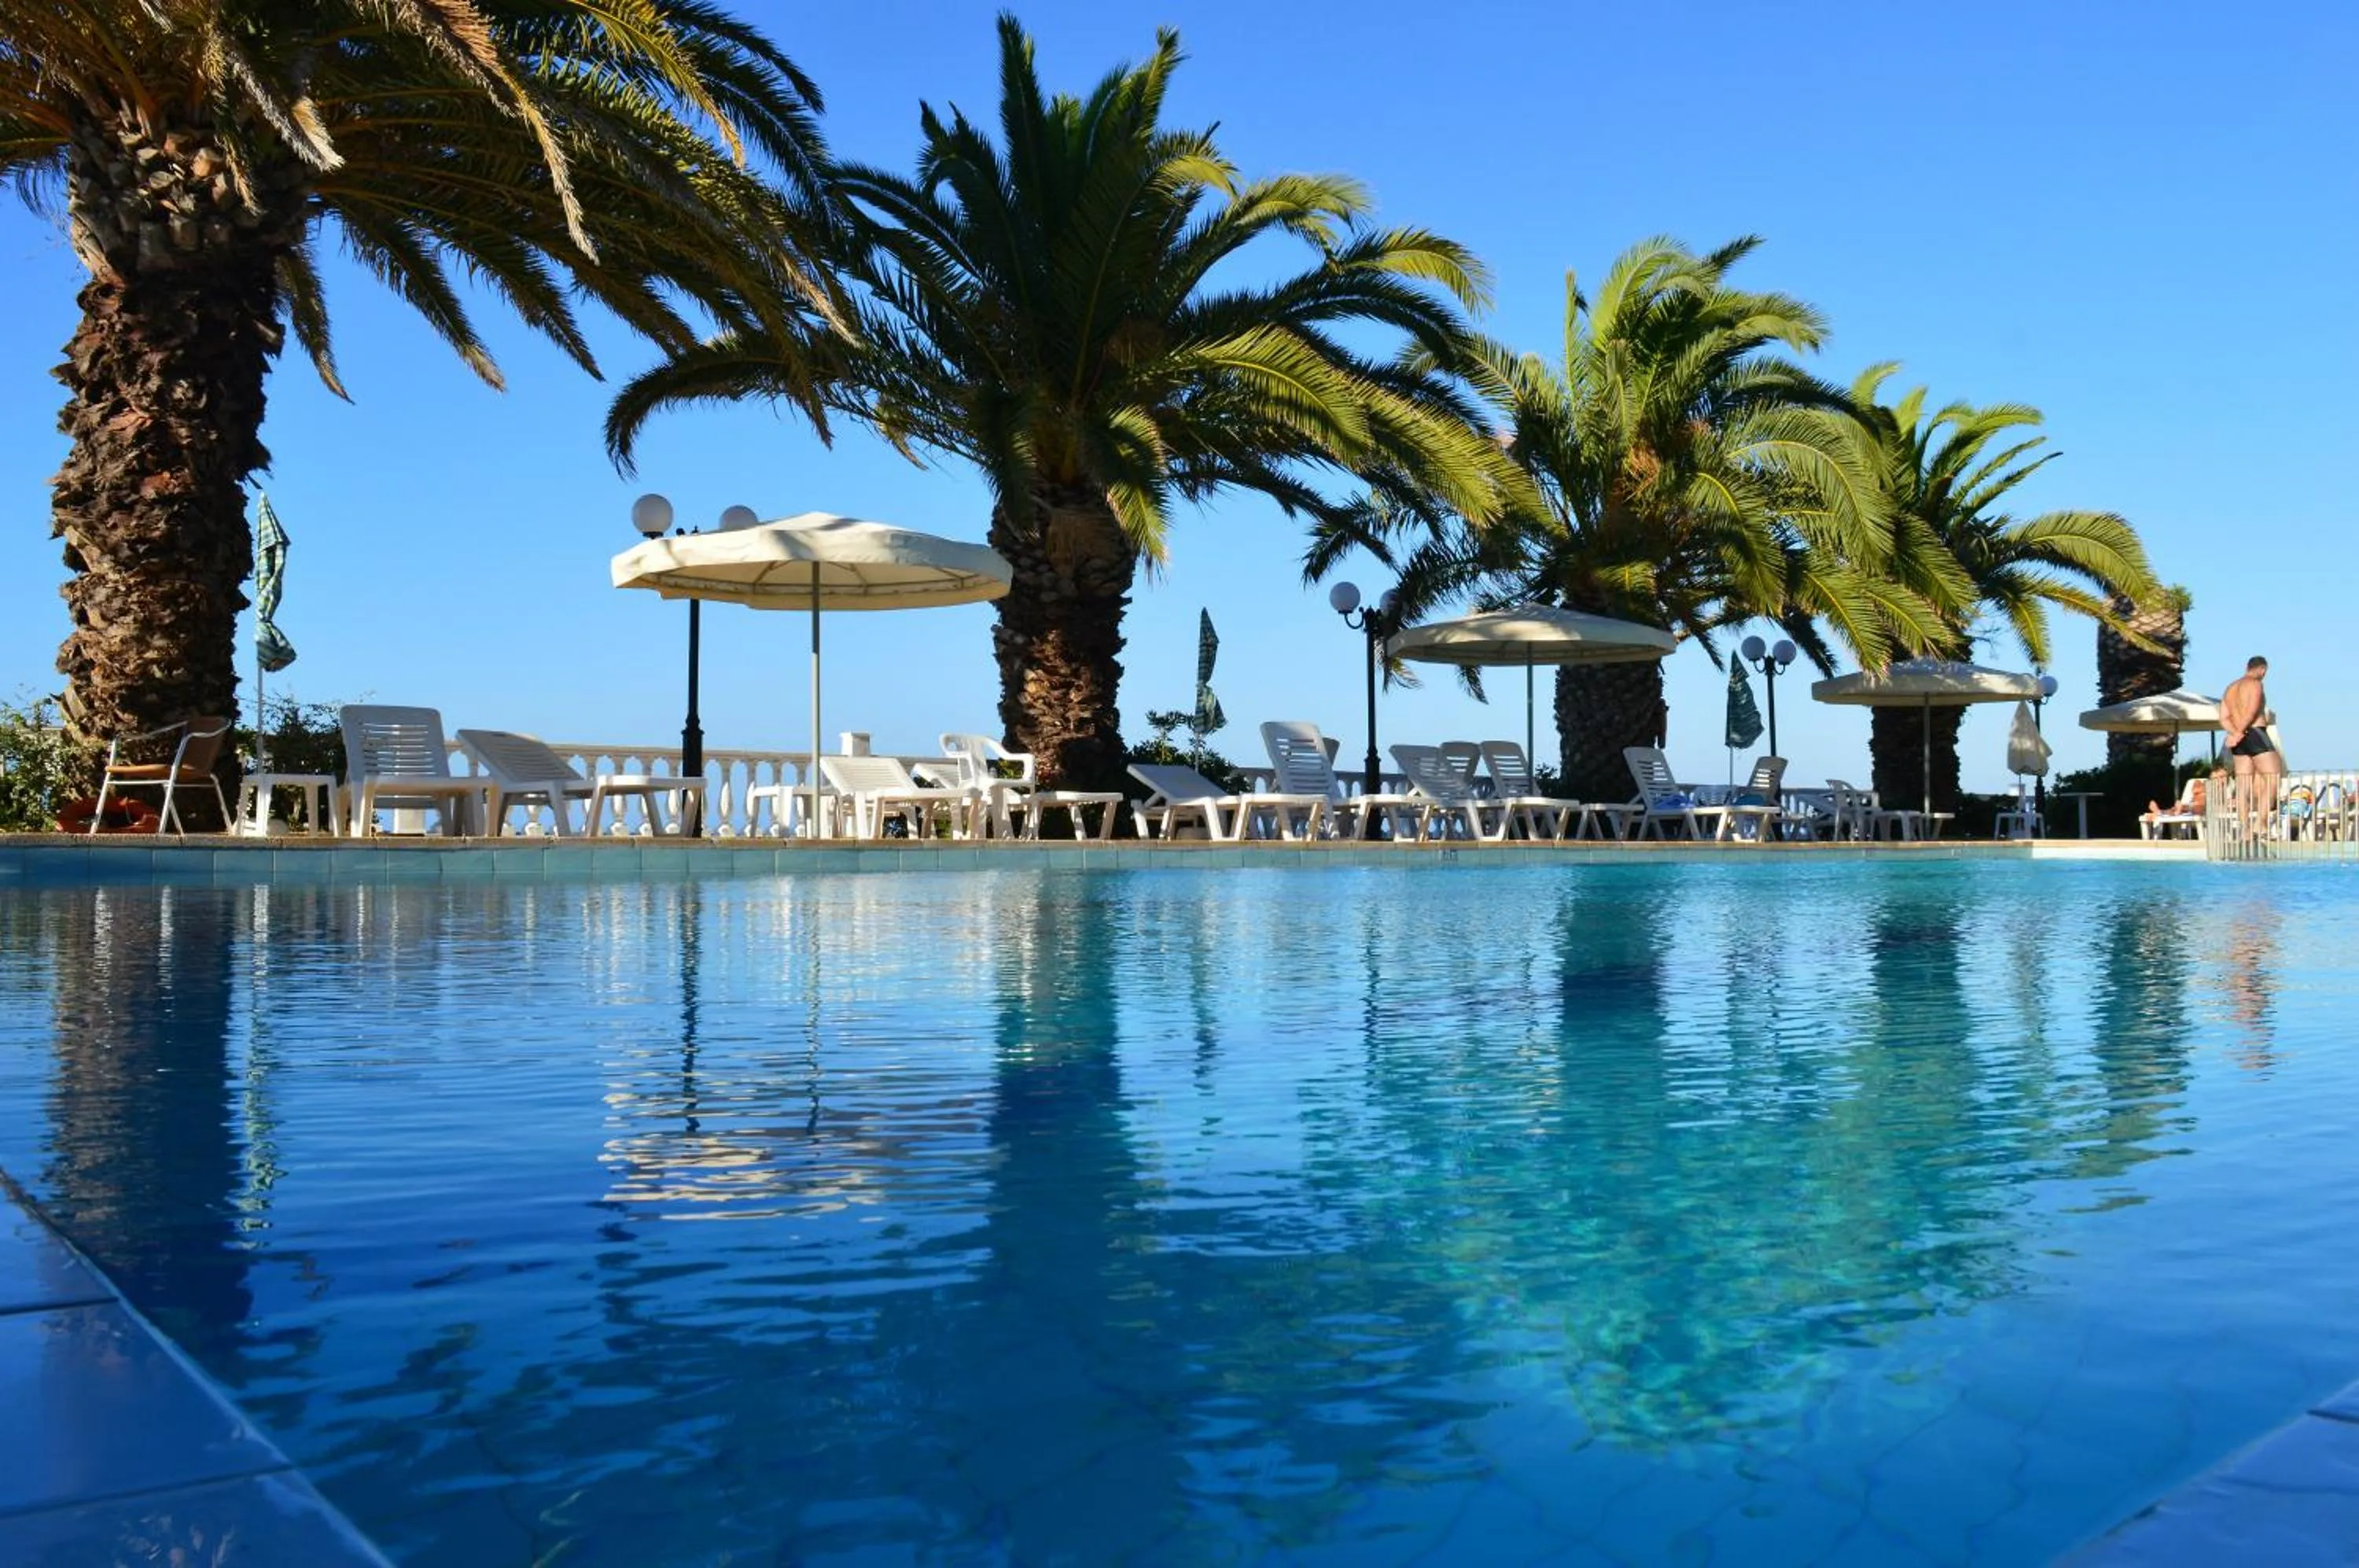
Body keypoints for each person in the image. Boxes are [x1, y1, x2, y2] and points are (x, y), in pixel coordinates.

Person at [2219, 656, 2280, 834]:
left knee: (2243, 784)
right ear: (2263, 669)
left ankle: (2245, 829)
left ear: (2247, 667)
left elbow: (2223, 717)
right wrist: (2240, 732)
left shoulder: (2230, 688)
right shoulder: (2255, 684)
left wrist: (2235, 734)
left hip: (2239, 739)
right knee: (2273, 777)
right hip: (2255, 733)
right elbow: (2252, 711)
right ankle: (2260, 823)